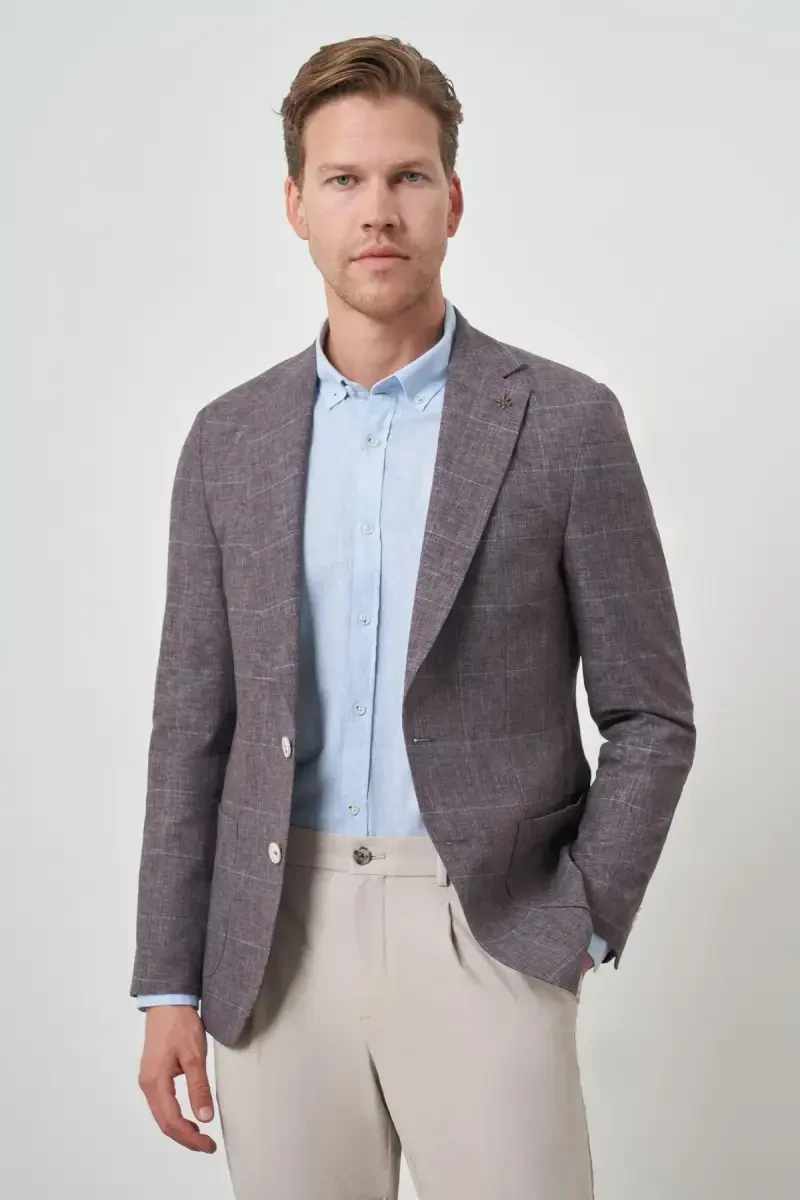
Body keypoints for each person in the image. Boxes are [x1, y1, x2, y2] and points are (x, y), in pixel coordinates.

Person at [131, 33, 696, 1199]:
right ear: (296, 205)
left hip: (483, 927)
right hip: (272, 942)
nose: (376, 210)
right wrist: (168, 984)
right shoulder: (228, 441)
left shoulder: (564, 424)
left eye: (406, 176)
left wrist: (575, 923)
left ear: (453, 199)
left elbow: (648, 713)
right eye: (343, 179)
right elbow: (193, 727)